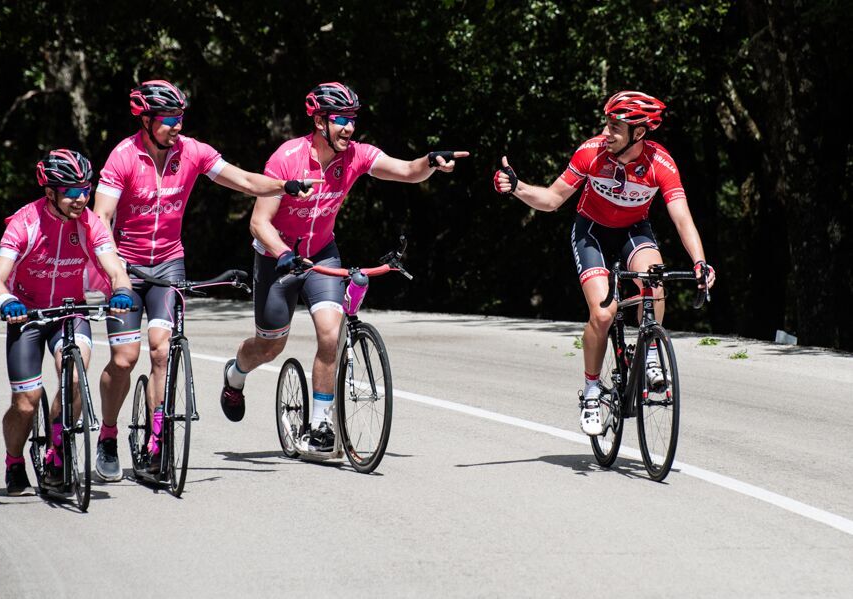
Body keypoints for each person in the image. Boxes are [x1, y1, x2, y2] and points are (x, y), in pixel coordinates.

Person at [219, 81, 469, 452]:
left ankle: (320, 426)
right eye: (341, 119)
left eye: (352, 119)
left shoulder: (356, 155)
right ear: (319, 121)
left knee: (330, 335)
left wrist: (430, 161)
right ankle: (235, 375)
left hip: (321, 252)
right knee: (269, 346)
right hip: (278, 258)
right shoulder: (286, 158)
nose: (349, 127)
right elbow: (259, 222)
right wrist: (282, 253)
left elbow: (406, 170)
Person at [93, 79, 318, 480]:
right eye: (167, 119)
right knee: (124, 360)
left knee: (162, 352)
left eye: (180, 118)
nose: (176, 126)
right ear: (144, 119)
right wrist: (115, 273)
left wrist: (284, 186)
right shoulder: (122, 157)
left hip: (168, 264)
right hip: (124, 265)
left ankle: (157, 440)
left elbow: (246, 181)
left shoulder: (192, 151)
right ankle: (108, 435)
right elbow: (102, 219)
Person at [493, 90, 716, 436]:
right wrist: (517, 187)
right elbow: (553, 199)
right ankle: (593, 392)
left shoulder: (661, 164)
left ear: (638, 133)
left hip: (633, 231)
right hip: (591, 232)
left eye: (615, 127)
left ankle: (652, 352)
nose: (607, 133)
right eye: (607, 124)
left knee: (653, 282)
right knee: (602, 313)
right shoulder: (591, 153)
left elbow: (682, 218)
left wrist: (700, 262)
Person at [0, 149, 132, 495]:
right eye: (72, 191)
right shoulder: (25, 222)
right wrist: (8, 301)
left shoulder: (90, 222)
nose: (81, 198)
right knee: (26, 402)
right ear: (50, 192)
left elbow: (113, 266)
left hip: (70, 311)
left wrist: (121, 290)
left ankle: (57, 448)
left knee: (76, 375)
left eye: (86, 189)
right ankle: (14, 460)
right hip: (28, 314)